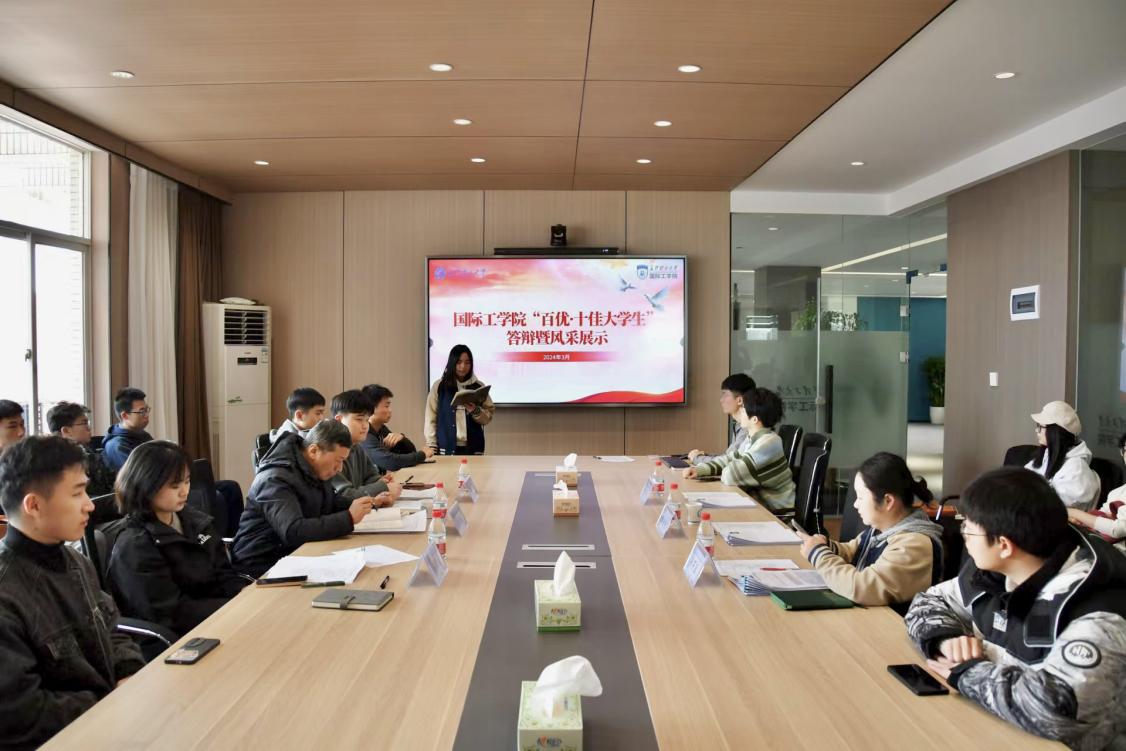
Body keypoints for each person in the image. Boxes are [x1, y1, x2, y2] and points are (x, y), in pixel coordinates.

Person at [905, 467, 1126, 749]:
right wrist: (947, 640)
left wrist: (968, 673)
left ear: (1004, 545)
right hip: (995, 732)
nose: (963, 536)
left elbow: (1054, 707)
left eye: (968, 529)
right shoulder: (996, 571)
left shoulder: (1096, 612)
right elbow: (927, 603)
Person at [0, 436, 144, 749]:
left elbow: (112, 630)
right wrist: (109, 702)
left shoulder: (75, 560)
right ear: (34, 505)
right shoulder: (7, 594)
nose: (90, 504)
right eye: (77, 493)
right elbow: (21, 716)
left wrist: (129, 672)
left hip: (110, 723)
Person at [105, 441, 248, 637]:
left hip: (218, 619)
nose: (184, 491)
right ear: (146, 486)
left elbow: (224, 574)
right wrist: (234, 608)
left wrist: (245, 596)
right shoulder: (135, 544)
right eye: (174, 485)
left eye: (187, 481)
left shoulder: (194, 520)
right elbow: (172, 613)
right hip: (177, 639)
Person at [795, 452, 943, 609]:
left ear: (888, 501)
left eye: (860, 497)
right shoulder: (881, 531)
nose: (855, 504)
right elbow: (852, 551)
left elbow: (862, 587)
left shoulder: (914, 545)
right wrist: (825, 546)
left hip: (893, 623)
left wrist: (819, 555)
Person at [231, 420, 376, 578]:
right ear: (314, 451)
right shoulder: (274, 479)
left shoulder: (312, 468)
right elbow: (293, 531)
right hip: (260, 567)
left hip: (294, 556)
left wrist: (359, 504)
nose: (340, 468)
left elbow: (328, 503)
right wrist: (349, 518)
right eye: (338, 460)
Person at [683, 386, 795, 513]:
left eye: (743, 409)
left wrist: (728, 467)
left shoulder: (768, 443)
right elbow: (730, 458)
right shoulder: (752, 438)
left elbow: (730, 475)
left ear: (754, 419)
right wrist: (699, 470)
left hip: (775, 514)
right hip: (758, 506)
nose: (740, 411)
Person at [1025, 400, 1100, 510]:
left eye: (1040, 426)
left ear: (1055, 432)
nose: (1037, 430)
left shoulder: (1076, 468)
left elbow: (1055, 506)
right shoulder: (1047, 455)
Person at [425, 344, 495, 455]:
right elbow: (430, 417)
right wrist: (431, 444)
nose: (463, 366)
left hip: (474, 448)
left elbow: (487, 418)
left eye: (467, 363)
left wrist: (475, 411)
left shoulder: (478, 386)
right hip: (446, 447)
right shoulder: (439, 386)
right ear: (452, 363)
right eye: (458, 362)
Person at [330, 389, 397, 504]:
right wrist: (382, 487)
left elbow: (371, 477)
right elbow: (345, 495)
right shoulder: (330, 450)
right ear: (339, 420)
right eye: (359, 419)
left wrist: (382, 481)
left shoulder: (357, 446)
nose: (365, 426)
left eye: (367, 420)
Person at [1067, 431, 1126, 553]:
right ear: (1122, 452)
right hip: (1104, 552)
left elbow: (1117, 529)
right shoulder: (1116, 493)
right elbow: (1100, 517)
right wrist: (1079, 521)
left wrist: (1074, 513)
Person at [47, 401, 117, 498]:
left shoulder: (89, 451)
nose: (89, 428)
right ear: (66, 431)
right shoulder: (60, 464)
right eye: (84, 423)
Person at [685, 373, 757, 463]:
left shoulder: (748, 428)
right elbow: (728, 456)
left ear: (739, 400)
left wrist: (697, 458)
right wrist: (703, 456)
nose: (721, 400)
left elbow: (729, 462)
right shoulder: (739, 425)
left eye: (725, 395)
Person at [360, 384, 434, 471]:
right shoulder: (364, 433)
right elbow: (390, 462)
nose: (390, 410)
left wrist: (401, 438)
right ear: (371, 408)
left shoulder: (381, 429)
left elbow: (410, 452)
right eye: (386, 406)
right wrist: (423, 454)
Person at [102, 387, 153, 472]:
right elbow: (138, 476)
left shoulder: (143, 435)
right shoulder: (117, 446)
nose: (146, 415)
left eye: (147, 410)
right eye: (142, 411)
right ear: (125, 416)